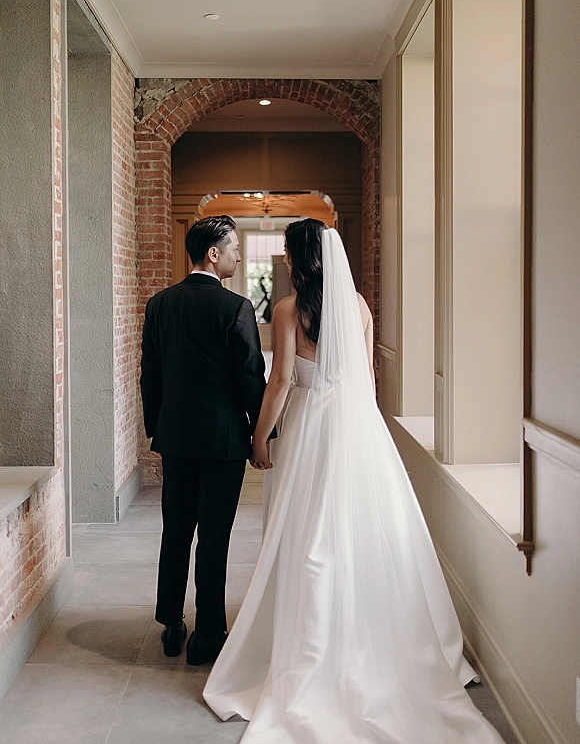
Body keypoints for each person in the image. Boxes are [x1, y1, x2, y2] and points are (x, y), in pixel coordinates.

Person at [203, 219, 503, 743]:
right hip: (357, 425)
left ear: (300, 259)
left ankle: (308, 640)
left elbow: (279, 384)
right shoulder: (360, 308)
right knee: (362, 530)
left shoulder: (289, 311)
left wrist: (259, 440)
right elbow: (366, 381)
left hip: (310, 428)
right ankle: (366, 634)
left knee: (306, 532)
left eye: (290, 254)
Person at [140, 215, 267, 665]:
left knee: (176, 530)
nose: (236, 253)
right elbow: (251, 377)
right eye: (232, 247)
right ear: (212, 253)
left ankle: (171, 623)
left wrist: (158, 428)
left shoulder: (159, 304)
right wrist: (261, 431)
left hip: (176, 438)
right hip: (223, 442)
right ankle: (208, 632)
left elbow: (149, 374)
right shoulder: (236, 309)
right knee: (214, 536)